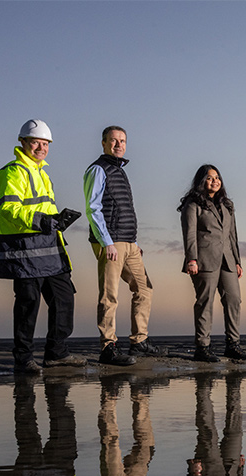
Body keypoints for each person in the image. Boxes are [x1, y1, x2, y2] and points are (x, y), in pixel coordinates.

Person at [0, 119, 86, 373]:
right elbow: (9, 209)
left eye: (45, 143)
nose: (41, 147)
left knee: (64, 298)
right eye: (36, 142)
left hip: (49, 249)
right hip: (24, 252)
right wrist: (42, 220)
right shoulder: (11, 172)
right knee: (28, 303)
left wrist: (55, 222)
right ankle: (23, 358)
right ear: (23, 142)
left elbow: (43, 210)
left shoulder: (43, 174)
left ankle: (56, 353)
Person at [84, 126, 163, 367]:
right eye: (114, 140)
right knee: (109, 295)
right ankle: (108, 347)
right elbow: (93, 208)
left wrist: (135, 242)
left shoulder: (120, 171)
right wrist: (106, 241)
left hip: (129, 243)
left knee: (144, 288)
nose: (119, 145)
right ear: (103, 143)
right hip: (110, 243)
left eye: (123, 141)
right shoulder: (98, 169)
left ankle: (139, 342)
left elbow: (124, 208)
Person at [178, 165, 246, 362]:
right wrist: (191, 259)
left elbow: (233, 236)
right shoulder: (193, 205)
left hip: (228, 259)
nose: (215, 181)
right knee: (205, 302)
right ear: (202, 181)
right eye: (210, 178)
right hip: (204, 260)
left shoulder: (227, 205)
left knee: (234, 299)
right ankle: (203, 347)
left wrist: (237, 261)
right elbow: (190, 234)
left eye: (217, 177)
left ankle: (233, 344)